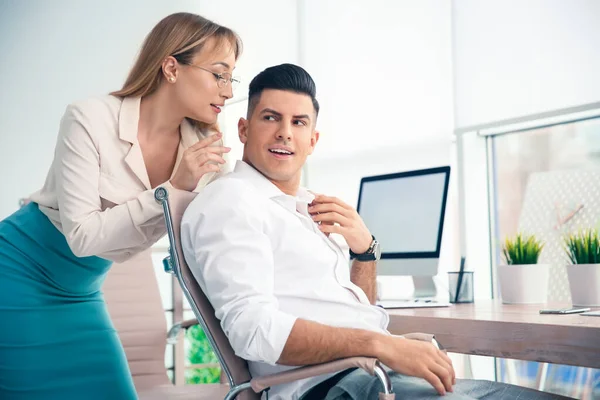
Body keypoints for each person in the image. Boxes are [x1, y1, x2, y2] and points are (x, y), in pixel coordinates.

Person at [181, 64, 571, 400]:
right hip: (335, 387)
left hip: (368, 377)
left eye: (298, 122)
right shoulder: (231, 201)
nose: (285, 132)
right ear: (244, 129)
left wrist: (364, 253)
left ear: (313, 140)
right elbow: (253, 332)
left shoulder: (307, 206)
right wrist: (381, 344)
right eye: (271, 117)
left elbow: (355, 313)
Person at [0, 12, 241, 400]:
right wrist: (171, 188)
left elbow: (226, 237)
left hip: (83, 289)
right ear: (171, 68)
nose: (228, 92)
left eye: (232, 77)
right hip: (18, 272)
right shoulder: (88, 119)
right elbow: (81, 237)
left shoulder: (204, 149)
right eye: (219, 74)